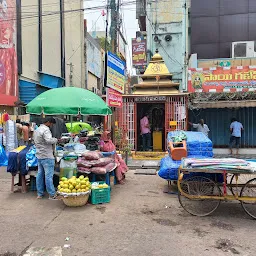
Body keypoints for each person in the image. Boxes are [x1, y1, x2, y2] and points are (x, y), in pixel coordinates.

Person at [34, 117, 58, 199]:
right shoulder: (46, 130)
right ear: (48, 122)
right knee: (48, 176)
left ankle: (39, 193)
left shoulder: (37, 129)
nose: (51, 126)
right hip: (47, 155)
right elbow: (48, 140)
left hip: (39, 155)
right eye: (51, 124)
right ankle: (52, 194)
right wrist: (55, 140)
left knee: (40, 175)